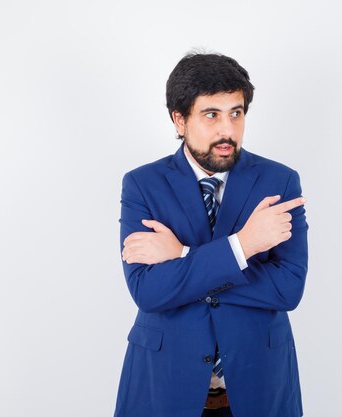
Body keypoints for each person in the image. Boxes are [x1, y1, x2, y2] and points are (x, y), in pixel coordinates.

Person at [114, 52, 309, 417]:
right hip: (165, 383)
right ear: (179, 119)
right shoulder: (142, 185)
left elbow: (288, 288)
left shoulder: (280, 181)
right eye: (211, 115)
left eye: (236, 113)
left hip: (258, 384)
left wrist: (183, 256)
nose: (228, 130)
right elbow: (149, 292)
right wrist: (244, 246)